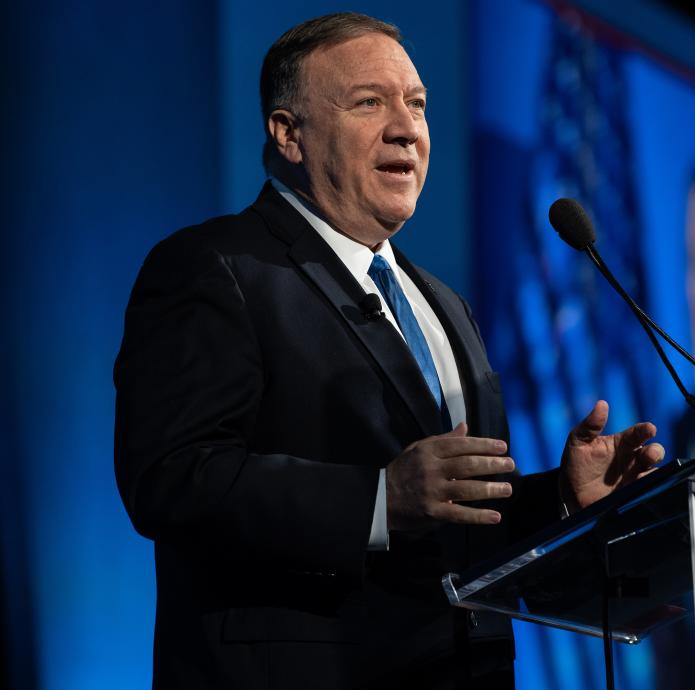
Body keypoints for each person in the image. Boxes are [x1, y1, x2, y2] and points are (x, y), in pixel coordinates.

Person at [114, 13, 664, 690]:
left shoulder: (444, 304)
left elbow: (455, 525)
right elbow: (171, 480)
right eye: (370, 102)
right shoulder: (216, 267)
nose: (406, 127)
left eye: (418, 104)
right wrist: (377, 499)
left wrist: (557, 501)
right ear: (289, 134)